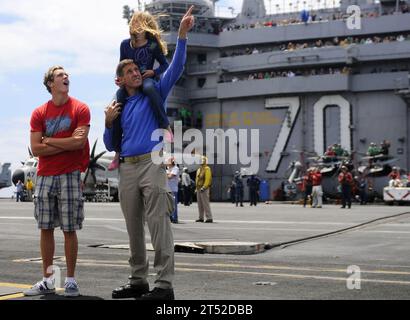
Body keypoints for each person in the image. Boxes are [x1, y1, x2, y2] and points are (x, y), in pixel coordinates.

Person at [103, 6, 194, 300]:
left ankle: (164, 285)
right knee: (132, 229)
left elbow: (176, 67)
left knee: (158, 226)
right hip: (127, 168)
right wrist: (107, 122)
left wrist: (181, 36)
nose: (137, 73)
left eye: (137, 69)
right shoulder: (119, 105)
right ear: (120, 80)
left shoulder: (154, 92)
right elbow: (108, 143)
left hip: (152, 164)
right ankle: (138, 280)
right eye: (130, 72)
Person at [24, 65, 90, 297]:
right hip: (44, 175)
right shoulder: (39, 113)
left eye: (67, 75)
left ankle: (70, 280)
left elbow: (78, 144)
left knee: (69, 228)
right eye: (60, 75)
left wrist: (49, 140)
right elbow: (35, 148)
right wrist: (65, 141)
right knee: (45, 227)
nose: (66, 77)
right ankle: (48, 280)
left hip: (71, 173)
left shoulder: (80, 108)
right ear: (51, 84)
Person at [109, 10, 171, 171]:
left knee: (150, 88)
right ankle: (117, 151)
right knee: (117, 103)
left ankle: (165, 125)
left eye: (140, 23)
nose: (136, 26)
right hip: (130, 80)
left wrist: (154, 72)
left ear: (147, 27)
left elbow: (165, 65)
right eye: (134, 23)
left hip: (146, 78)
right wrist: (120, 78)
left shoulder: (152, 45)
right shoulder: (124, 44)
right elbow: (122, 66)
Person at [195, 156, 213, 223]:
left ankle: (209, 217)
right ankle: (201, 217)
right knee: (200, 204)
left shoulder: (207, 168)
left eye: (202, 160)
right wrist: (196, 188)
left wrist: (204, 187)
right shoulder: (199, 169)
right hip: (199, 188)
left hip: (204, 189)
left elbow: (208, 179)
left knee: (205, 204)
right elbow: (197, 179)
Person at [166, 157, 179, 223]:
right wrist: (167, 174)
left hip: (173, 189)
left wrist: (166, 174)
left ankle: (175, 218)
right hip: (167, 189)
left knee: (173, 204)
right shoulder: (168, 169)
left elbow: (170, 177)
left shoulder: (175, 168)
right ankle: (170, 217)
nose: (167, 162)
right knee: (168, 204)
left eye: (168, 161)